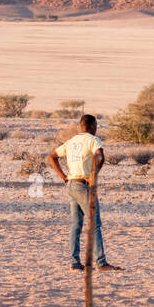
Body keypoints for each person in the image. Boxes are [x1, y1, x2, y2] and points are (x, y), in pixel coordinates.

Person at [47, 114, 120, 271]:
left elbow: (52, 157)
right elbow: (100, 156)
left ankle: (74, 262)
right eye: (96, 126)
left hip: (71, 184)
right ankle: (101, 262)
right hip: (83, 186)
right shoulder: (93, 140)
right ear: (93, 126)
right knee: (94, 224)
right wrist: (94, 174)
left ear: (81, 126)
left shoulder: (71, 141)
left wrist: (64, 177)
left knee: (76, 225)